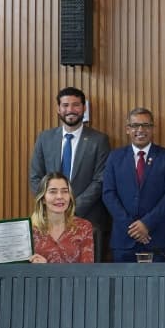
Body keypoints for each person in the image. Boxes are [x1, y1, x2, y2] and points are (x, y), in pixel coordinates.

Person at [28, 86, 111, 259]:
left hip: (88, 219)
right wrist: (52, 204)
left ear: (84, 108)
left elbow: (100, 180)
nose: (70, 110)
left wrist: (71, 207)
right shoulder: (45, 138)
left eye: (76, 105)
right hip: (48, 222)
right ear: (58, 109)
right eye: (65, 105)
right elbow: (36, 177)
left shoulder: (99, 140)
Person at [102, 107, 165, 262]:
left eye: (146, 125)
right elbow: (108, 194)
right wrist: (132, 227)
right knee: (123, 286)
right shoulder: (115, 157)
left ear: (153, 129)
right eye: (135, 125)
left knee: (158, 286)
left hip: (156, 237)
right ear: (127, 129)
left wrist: (146, 223)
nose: (140, 130)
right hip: (124, 239)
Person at [28, 172, 94, 263]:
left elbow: (87, 272)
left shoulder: (84, 227)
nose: (60, 196)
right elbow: (19, 271)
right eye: (53, 191)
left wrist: (46, 269)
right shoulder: (29, 229)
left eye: (65, 191)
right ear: (43, 198)